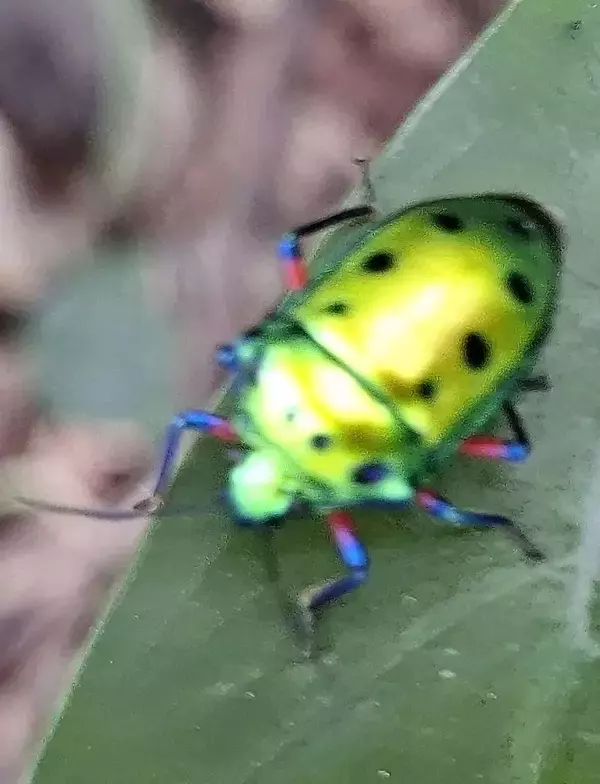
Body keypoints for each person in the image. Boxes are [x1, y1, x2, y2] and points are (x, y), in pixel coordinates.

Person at [0, 0, 504, 779]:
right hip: (410, 322)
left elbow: (213, 420)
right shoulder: (267, 414)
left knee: (374, 548)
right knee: (300, 262)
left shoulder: (295, 454)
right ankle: (388, 231)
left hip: (414, 332)